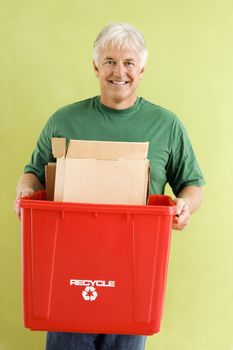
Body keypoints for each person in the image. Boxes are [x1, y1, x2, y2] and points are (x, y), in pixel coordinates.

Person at [14, 22, 205, 350]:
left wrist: (186, 205)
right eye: (110, 62)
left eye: (129, 63)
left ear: (142, 69)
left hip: (134, 276)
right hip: (67, 273)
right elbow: (32, 173)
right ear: (95, 66)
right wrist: (25, 191)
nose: (120, 72)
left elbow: (192, 184)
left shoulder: (166, 125)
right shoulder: (63, 120)